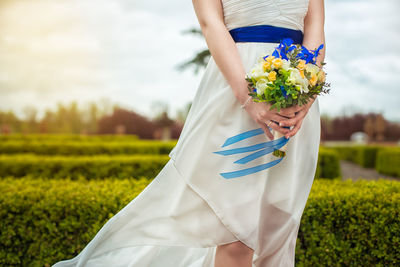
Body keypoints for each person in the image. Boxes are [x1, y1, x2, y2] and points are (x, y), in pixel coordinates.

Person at [52, 0, 325, 266]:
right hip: (236, 92)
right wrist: (247, 97)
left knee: (277, 229)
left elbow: (315, 27)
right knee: (237, 235)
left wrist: (306, 97)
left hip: (296, 99)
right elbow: (211, 24)